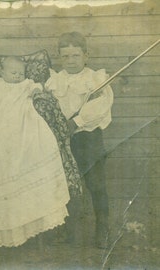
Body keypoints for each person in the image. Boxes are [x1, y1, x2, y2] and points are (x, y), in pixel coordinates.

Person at [0, 56, 71, 247]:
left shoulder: (26, 83)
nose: (18, 76)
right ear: (2, 73)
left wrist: (35, 92)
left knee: (32, 141)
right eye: (13, 73)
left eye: (21, 73)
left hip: (21, 119)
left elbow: (37, 88)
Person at [45, 32, 114, 248]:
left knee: (95, 184)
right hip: (62, 140)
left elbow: (102, 105)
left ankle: (103, 230)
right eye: (65, 57)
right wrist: (57, 125)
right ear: (59, 58)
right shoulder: (54, 81)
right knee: (64, 186)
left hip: (88, 138)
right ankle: (67, 232)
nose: (71, 60)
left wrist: (77, 122)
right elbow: (47, 105)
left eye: (75, 55)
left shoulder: (95, 79)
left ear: (86, 55)